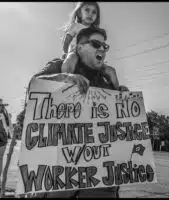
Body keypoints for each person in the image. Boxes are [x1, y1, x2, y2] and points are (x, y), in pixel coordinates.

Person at [27, 27, 129, 198]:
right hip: (60, 172)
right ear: (79, 47)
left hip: (99, 175)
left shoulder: (106, 80)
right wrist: (65, 78)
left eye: (105, 47)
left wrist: (122, 97)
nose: (102, 49)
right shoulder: (60, 66)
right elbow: (33, 85)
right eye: (96, 44)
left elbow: (117, 124)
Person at [61, 2, 119, 89]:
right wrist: (66, 52)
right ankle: (67, 78)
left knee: (111, 70)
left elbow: (99, 47)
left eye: (94, 12)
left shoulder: (95, 31)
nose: (90, 14)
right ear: (80, 13)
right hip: (76, 52)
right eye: (87, 10)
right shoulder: (76, 26)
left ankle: (117, 91)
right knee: (71, 59)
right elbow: (67, 40)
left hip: (90, 57)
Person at [0, 99, 11, 183]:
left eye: (1, 105)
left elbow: (9, 126)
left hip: (2, 139)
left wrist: (12, 136)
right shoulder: (4, 115)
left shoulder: (4, 115)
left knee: (0, 159)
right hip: (3, 138)